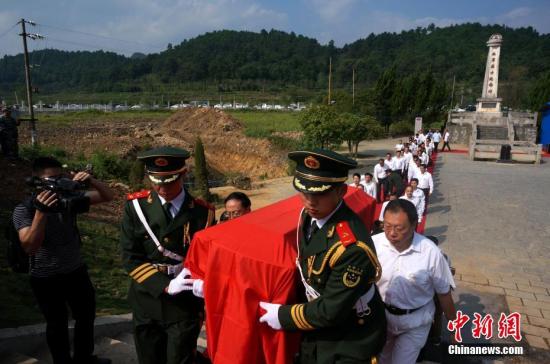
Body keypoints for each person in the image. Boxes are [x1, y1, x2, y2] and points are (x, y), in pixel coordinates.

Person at [258, 149, 386, 363]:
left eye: (319, 193)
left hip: (350, 337)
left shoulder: (351, 247)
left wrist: (283, 316)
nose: (309, 202)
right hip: (319, 325)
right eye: (304, 192)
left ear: (341, 191)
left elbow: (331, 311)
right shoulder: (311, 217)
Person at [13, 157, 114, 364]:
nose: (57, 184)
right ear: (37, 181)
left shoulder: (68, 201)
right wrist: (42, 212)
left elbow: (108, 196)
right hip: (45, 276)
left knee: (85, 317)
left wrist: (90, 181)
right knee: (57, 323)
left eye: (60, 178)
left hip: (76, 270)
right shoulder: (24, 210)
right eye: (52, 179)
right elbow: (29, 246)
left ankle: (84, 358)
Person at [119, 146, 215, 364]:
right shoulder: (136, 207)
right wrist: (164, 285)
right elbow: (130, 256)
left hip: (184, 303)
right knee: (149, 358)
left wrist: (203, 280)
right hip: (147, 297)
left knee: (179, 359)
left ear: (183, 174)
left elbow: (208, 257)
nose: (162, 188)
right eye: (156, 181)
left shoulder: (202, 212)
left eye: (170, 181)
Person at [373, 200, 456, 364]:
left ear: (413, 225)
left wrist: (455, 327)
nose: (392, 233)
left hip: (415, 322)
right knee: (382, 359)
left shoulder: (431, 253)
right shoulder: (374, 244)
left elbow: (444, 294)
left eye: (399, 228)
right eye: (387, 226)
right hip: (382, 318)